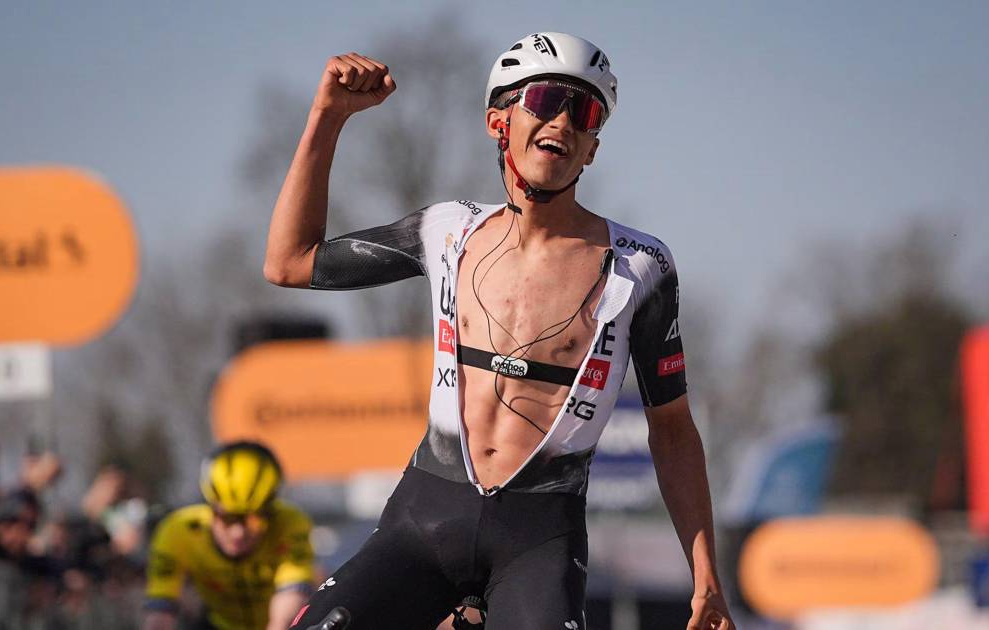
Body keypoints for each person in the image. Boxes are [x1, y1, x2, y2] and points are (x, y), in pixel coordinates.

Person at [265, 32, 733, 630]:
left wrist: (706, 577)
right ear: (498, 122)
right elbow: (289, 262)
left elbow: (671, 430)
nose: (563, 120)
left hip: (539, 540)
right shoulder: (446, 231)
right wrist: (328, 116)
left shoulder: (641, 266)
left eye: (585, 112)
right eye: (546, 100)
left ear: (592, 148)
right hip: (424, 521)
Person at [142, 441, 315, 630]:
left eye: (253, 520)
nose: (238, 533)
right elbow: (160, 613)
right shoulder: (178, 530)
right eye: (228, 519)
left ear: (269, 512)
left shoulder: (290, 522)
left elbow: (289, 602)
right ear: (210, 508)